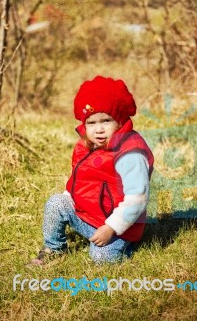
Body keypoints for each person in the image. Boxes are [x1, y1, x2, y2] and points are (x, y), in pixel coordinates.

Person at [29, 76, 154, 264]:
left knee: (100, 258)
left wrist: (110, 228)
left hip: (119, 225)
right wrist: (67, 201)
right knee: (56, 202)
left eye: (106, 121)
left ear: (120, 120)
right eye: (91, 123)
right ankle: (53, 248)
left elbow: (137, 200)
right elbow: (79, 180)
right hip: (87, 216)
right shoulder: (85, 146)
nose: (99, 130)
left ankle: (125, 246)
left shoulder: (130, 154)